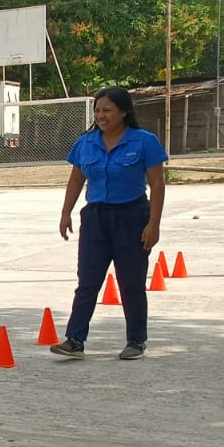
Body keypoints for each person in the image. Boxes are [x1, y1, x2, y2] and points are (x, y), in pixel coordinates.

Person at [51, 86, 167, 361]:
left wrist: (153, 224)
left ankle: (136, 341)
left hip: (132, 217)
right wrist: (66, 212)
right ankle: (75, 340)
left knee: (131, 283)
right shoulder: (86, 142)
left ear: (124, 112)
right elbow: (76, 179)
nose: (101, 116)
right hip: (95, 219)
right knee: (88, 281)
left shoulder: (144, 141)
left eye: (107, 110)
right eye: (97, 111)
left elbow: (157, 184)